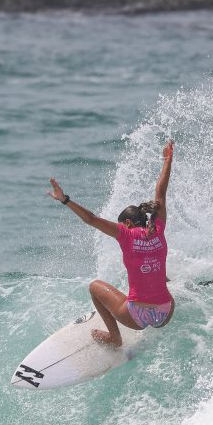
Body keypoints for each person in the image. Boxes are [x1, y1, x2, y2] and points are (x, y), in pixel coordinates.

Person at [47, 140, 175, 347]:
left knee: (94, 287)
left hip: (136, 318)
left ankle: (115, 338)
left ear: (127, 223)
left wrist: (65, 200)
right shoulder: (158, 229)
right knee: (160, 274)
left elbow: (91, 219)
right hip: (165, 313)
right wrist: (168, 159)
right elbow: (161, 192)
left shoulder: (125, 233)